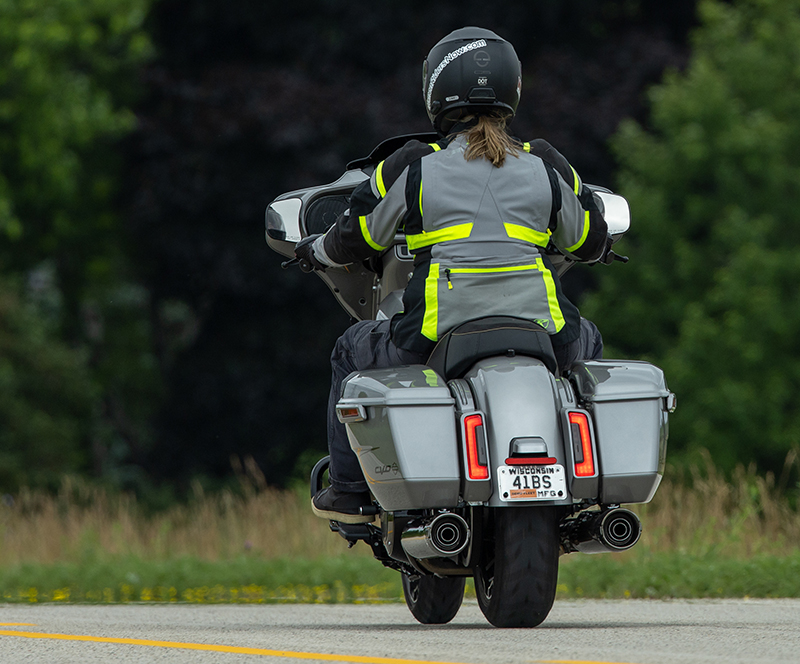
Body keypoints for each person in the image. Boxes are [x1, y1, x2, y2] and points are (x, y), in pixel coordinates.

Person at [295, 27, 609, 524]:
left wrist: (313, 248)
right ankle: (587, 480)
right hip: (545, 330)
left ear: (435, 93)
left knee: (351, 347)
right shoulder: (546, 164)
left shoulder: (413, 166)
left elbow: (356, 238)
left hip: (433, 332)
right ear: (513, 91)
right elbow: (590, 240)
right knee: (588, 340)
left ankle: (351, 490)